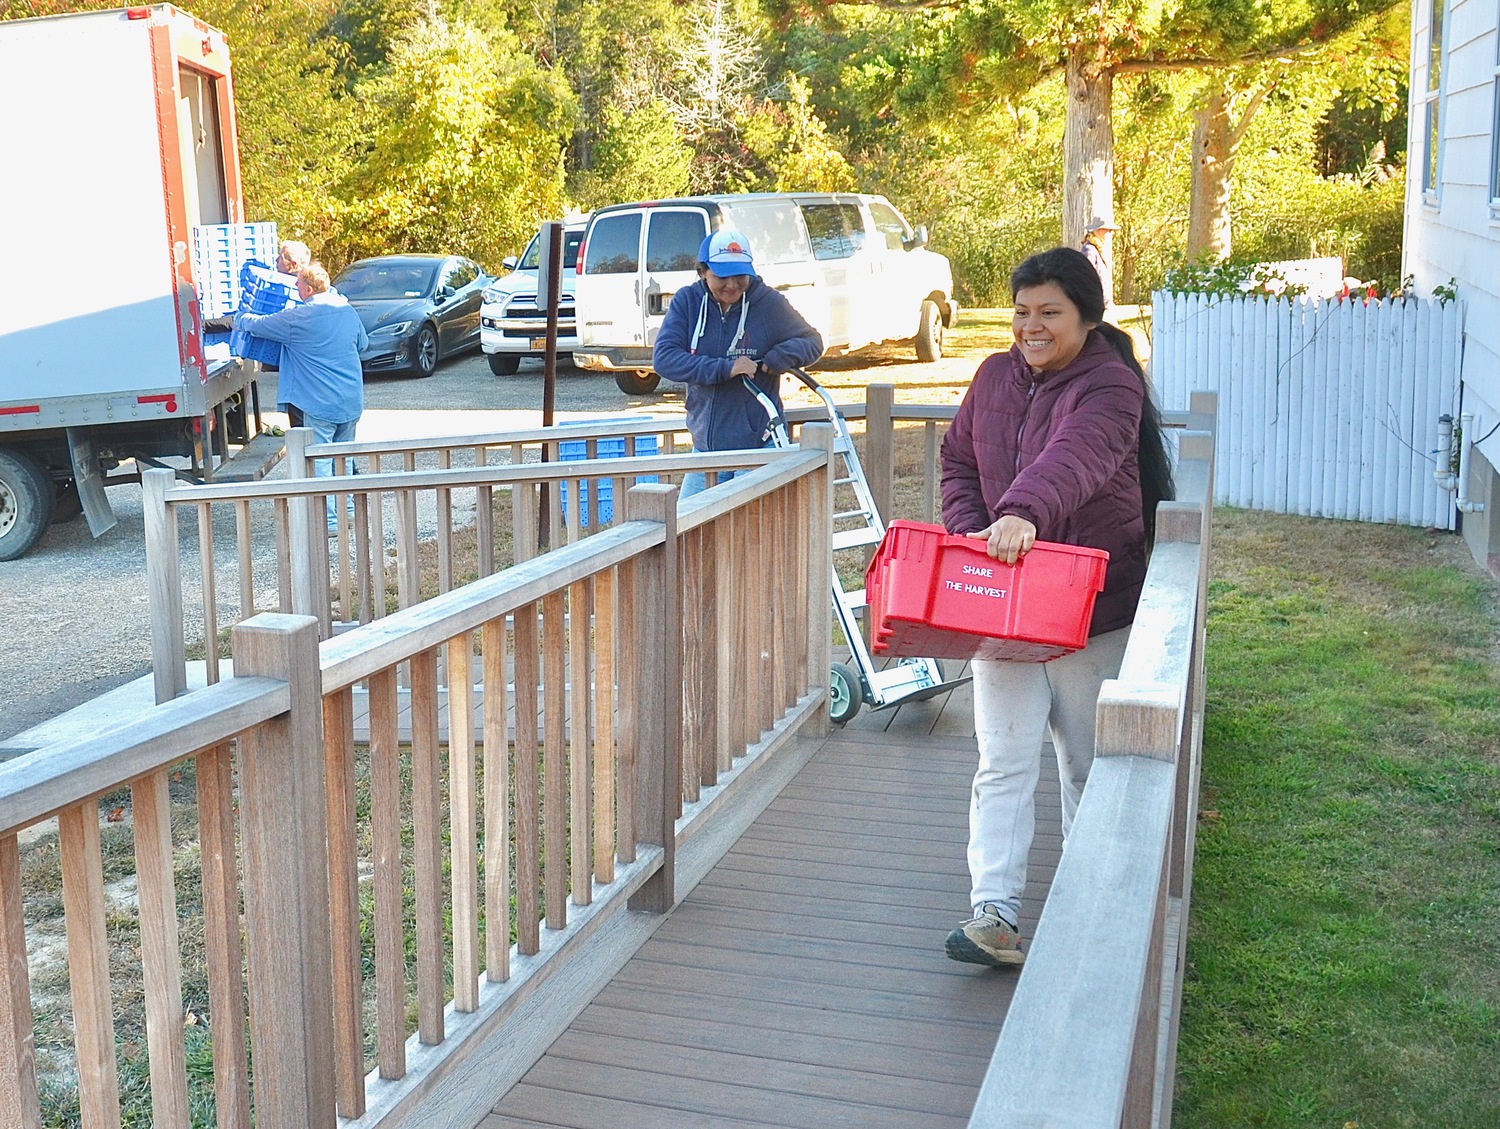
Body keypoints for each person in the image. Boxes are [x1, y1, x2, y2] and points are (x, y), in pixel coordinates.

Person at [938, 246, 1174, 968]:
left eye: (1049, 313)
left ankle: (1088, 910)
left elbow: (1077, 455)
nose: (1030, 327)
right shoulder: (992, 376)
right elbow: (956, 461)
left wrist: (1023, 513)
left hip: (1091, 612)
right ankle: (995, 915)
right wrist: (972, 533)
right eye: (1020, 313)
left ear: (1087, 316)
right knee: (1001, 761)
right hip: (1004, 610)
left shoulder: (1109, 383)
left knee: (1085, 766)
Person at [653, 229, 824, 496]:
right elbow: (664, 358)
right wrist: (725, 368)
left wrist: (778, 358)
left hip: (757, 448)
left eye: (740, 275)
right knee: (690, 532)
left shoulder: (767, 303)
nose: (732, 285)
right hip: (705, 452)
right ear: (703, 272)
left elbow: (812, 341)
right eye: (722, 276)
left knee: (750, 535)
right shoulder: (687, 302)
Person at [235, 261, 368, 532]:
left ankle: (330, 522)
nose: (295, 290)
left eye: (297, 286)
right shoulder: (347, 311)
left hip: (317, 402)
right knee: (344, 458)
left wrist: (238, 319)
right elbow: (363, 344)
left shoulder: (297, 318)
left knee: (321, 462)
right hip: (350, 400)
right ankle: (350, 512)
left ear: (307, 289)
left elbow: (259, 325)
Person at [1080, 217, 1117, 319]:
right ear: (1099, 230)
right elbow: (1086, 277)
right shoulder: (1089, 250)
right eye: (1107, 231)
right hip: (1096, 303)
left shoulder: (1096, 249)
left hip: (1103, 303)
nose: (1110, 234)